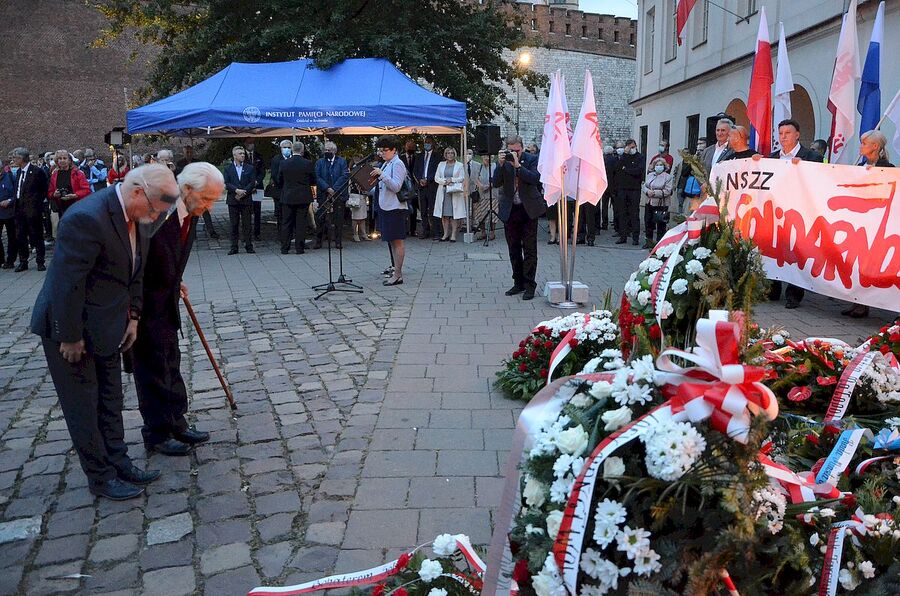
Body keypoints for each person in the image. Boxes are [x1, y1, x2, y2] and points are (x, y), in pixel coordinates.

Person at [31, 163, 178, 500]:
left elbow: (135, 273)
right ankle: (100, 476)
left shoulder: (139, 217)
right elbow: (65, 285)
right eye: (155, 208)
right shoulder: (87, 218)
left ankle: (119, 460)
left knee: (111, 398)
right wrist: (69, 336)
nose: (156, 217)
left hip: (110, 324)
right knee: (85, 405)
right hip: (72, 329)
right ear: (138, 192)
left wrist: (134, 318)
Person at [133, 162, 225, 455]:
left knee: (171, 358)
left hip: (166, 296)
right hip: (145, 303)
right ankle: (157, 432)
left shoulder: (189, 211)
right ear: (187, 190)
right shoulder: (157, 212)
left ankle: (177, 421)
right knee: (152, 366)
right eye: (207, 199)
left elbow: (171, 254)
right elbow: (137, 261)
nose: (209, 207)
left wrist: (176, 279)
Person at [759, 118, 823, 309]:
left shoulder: (811, 157)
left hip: (800, 212)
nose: (783, 137)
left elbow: (821, 179)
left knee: (796, 252)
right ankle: (772, 288)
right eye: (781, 133)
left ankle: (794, 293)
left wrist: (803, 168)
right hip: (775, 211)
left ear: (797, 135)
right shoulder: (771, 158)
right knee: (774, 249)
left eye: (788, 133)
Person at [838, 130, 895, 318]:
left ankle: (867, 303)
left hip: (876, 226)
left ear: (875, 147)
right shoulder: (860, 166)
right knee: (857, 265)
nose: (861, 146)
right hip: (859, 225)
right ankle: (857, 303)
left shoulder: (888, 168)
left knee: (871, 266)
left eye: (864, 143)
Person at [493, 135, 544, 300]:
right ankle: (518, 282)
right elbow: (496, 182)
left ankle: (530, 284)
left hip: (528, 208)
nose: (514, 153)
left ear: (522, 148)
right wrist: (501, 165)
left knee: (529, 249)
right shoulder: (503, 161)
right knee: (513, 248)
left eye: (517, 150)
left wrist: (518, 167)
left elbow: (535, 178)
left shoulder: (532, 159)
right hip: (511, 209)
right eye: (511, 150)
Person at [372, 135, 408, 286]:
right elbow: (382, 187)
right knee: (392, 242)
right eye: (380, 150)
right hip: (386, 206)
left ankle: (398, 274)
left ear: (394, 150)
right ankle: (395, 270)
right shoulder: (387, 163)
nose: (382, 153)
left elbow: (396, 186)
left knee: (397, 241)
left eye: (385, 150)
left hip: (395, 207)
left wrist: (381, 174)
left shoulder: (398, 164)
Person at [12, 148, 51, 272]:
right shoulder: (18, 172)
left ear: (22, 158)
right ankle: (23, 261)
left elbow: (44, 189)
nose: (13, 160)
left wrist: (36, 203)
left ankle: (40, 261)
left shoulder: (36, 171)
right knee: (20, 236)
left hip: (32, 209)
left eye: (15, 157)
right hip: (19, 208)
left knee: (36, 235)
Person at [277, 141, 316, 254]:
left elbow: (279, 180)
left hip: (288, 196)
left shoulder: (284, 163)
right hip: (303, 196)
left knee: (286, 222)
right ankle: (299, 248)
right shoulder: (307, 163)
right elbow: (313, 180)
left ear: (292, 150)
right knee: (301, 223)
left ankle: (285, 247)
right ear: (302, 150)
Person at [314, 141, 349, 249]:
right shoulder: (320, 162)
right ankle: (319, 241)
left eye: (328, 150)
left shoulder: (342, 162)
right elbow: (317, 176)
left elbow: (344, 176)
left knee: (338, 218)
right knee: (321, 218)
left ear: (334, 151)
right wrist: (327, 188)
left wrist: (334, 189)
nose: (326, 152)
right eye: (325, 150)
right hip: (323, 193)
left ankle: (338, 241)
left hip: (338, 194)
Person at [224, 145, 256, 255]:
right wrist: (236, 190)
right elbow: (226, 183)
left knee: (247, 224)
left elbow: (252, 183)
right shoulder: (228, 168)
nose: (242, 155)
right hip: (233, 200)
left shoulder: (249, 168)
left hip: (246, 199)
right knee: (234, 224)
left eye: (243, 154)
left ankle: (248, 245)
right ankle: (234, 246)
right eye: (240, 154)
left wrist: (243, 192)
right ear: (234, 155)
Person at [612, 139, 644, 245]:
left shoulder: (640, 157)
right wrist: (625, 155)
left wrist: (626, 170)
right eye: (630, 147)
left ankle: (635, 237)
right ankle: (623, 236)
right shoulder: (623, 158)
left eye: (633, 147)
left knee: (634, 214)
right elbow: (617, 169)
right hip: (622, 189)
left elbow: (638, 171)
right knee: (622, 213)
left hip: (634, 190)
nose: (632, 149)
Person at [433, 147, 466, 242]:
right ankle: (445, 233)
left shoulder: (459, 165)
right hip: (443, 191)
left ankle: (453, 235)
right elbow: (436, 177)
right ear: (445, 155)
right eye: (448, 153)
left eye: (452, 153)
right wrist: (445, 181)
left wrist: (451, 180)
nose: (450, 155)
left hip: (454, 191)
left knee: (454, 214)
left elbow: (462, 177)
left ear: (454, 154)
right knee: (444, 214)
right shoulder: (441, 164)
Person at [641, 157, 674, 248]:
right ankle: (649, 241)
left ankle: (660, 243)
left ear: (664, 166)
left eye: (661, 165)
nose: (659, 167)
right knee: (648, 222)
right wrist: (647, 191)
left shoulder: (668, 177)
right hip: (649, 202)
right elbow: (644, 185)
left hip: (661, 203)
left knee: (661, 224)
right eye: (657, 165)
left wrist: (655, 193)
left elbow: (668, 191)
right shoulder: (650, 175)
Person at [48, 149, 90, 219]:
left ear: (69, 160)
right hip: (61, 208)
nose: (62, 160)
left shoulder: (78, 173)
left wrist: (75, 195)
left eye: (64, 158)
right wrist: (54, 194)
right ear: (57, 161)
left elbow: (86, 190)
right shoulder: (54, 175)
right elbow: (50, 192)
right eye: (60, 159)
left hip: (76, 206)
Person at [413, 136, 440, 240]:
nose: (427, 144)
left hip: (432, 186)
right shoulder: (419, 156)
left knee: (433, 210)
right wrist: (420, 180)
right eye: (425, 142)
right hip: (421, 187)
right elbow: (415, 170)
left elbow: (437, 170)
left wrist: (428, 180)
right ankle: (425, 230)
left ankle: (436, 231)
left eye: (428, 142)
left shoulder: (437, 156)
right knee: (423, 210)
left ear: (433, 143)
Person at [269, 140, 293, 235]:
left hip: (293, 191)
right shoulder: (276, 159)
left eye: (289, 147)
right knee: (281, 214)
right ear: (281, 148)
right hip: (281, 191)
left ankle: (292, 234)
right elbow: (275, 175)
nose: (287, 149)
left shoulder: (294, 158)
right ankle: (282, 235)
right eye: (284, 147)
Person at [244, 138, 266, 240]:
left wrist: (257, 181)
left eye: (252, 143)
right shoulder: (242, 156)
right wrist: (250, 184)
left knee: (257, 210)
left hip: (258, 187)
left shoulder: (259, 156)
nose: (251, 145)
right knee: (246, 211)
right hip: (246, 187)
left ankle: (257, 233)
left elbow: (262, 171)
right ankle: (246, 233)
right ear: (245, 144)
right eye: (249, 143)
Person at [470, 153, 496, 240]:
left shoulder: (495, 166)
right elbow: (475, 178)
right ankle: (483, 232)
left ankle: (492, 232)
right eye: (485, 156)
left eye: (490, 157)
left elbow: (497, 178)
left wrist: (489, 186)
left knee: (493, 215)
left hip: (492, 194)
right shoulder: (479, 166)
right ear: (482, 157)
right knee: (480, 214)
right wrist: (481, 185)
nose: (487, 158)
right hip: (481, 194)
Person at [597, 143, 617, 234]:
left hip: (604, 186)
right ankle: (616, 224)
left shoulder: (602, 160)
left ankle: (604, 224)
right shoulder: (615, 160)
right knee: (615, 207)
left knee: (604, 206)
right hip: (613, 186)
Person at [400, 140, 419, 235]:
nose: (411, 149)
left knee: (414, 210)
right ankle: (403, 229)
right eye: (409, 147)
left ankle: (413, 230)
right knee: (403, 209)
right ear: (405, 147)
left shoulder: (417, 158)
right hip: (403, 187)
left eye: (412, 147)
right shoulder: (400, 158)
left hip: (415, 187)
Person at [0, 159, 16, 269]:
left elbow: (17, 193)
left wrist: (10, 201)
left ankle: (10, 260)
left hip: (9, 212)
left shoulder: (10, 177)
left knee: (12, 237)